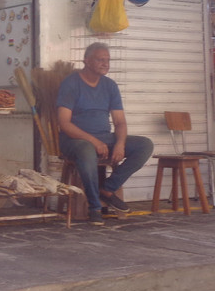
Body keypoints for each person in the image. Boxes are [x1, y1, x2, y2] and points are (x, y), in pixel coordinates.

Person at [57, 42, 154, 226]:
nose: (105, 64)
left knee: (145, 144)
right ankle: (94, 207)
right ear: (86, 60)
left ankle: (107, 190)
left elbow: (120, 122)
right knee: (86, 149)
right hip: (74, 140)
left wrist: (120, 143)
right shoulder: (71, 83)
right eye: (100, 60)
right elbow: (64, 123)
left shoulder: (110, 86)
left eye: (107, 60)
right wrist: (93, 141)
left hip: (104, 137)